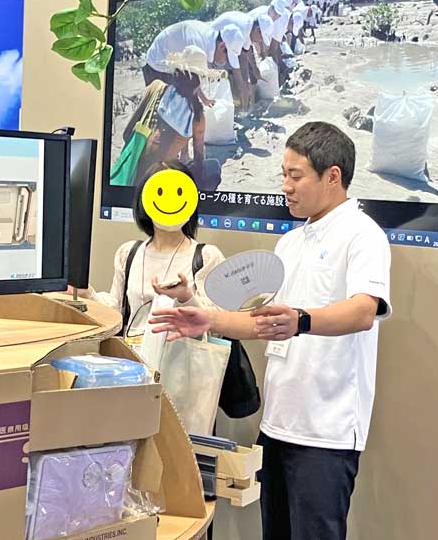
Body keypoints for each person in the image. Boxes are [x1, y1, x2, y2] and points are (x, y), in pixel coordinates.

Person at [150, 122, 392, 540]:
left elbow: (362, 312)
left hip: (326, 433)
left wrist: (301, 320)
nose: (285, 186)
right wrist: (207, 318)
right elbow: (262, 321)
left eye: (295, 176)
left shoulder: (362, 235)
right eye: (283, 174)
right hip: (277, 425)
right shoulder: (290, 243)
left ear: (332, 176)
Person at [79, 160, 225, 341]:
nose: (169, 202)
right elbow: (116, 311)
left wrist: (186, 297)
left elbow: (217, 326)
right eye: (160, 193)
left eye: (179, 193)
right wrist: (87, 295)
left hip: (183, 357)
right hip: (133, 356)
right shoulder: (128, 253)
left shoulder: (207, 257)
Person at [116, 46, 223, 188]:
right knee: (213, 167)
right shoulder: (197, 116)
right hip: (159, 184)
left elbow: (127, 133)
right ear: (198, 81)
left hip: (132, 174)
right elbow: (198, 160)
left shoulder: (156, 88)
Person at [143, 20, 244, 88]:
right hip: (157, 66)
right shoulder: (198, 47)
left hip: (173, 62)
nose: (225, 62)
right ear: (221, 46)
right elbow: (193, 82)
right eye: (227, 57)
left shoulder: (209, 38)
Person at [211, 11, 272, 112]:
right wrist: (242, 84)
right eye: (261, 37)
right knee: (226, 77)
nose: (260, 41)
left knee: (240, 79)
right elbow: (236, 63)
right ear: (257, 30)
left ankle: (240, 106)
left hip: (227, 45)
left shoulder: (248, 29)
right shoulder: (242, 31)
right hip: (216, 47)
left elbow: (245, 53)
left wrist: (254, 70)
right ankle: (232, 108)